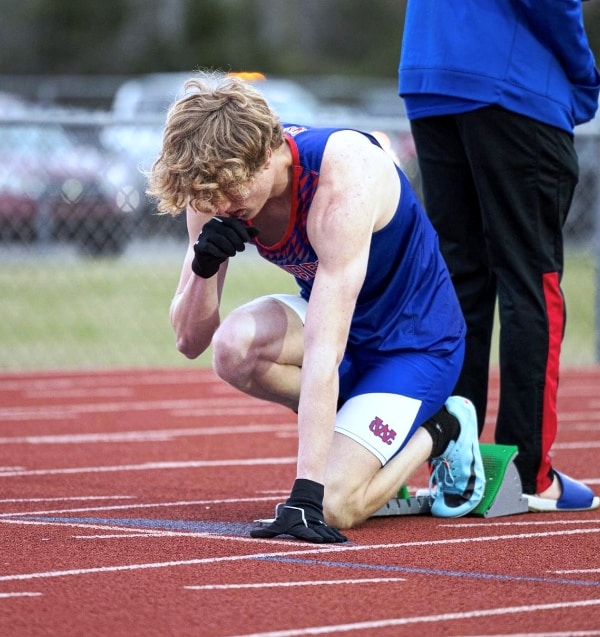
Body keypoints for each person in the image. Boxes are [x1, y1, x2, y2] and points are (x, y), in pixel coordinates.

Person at [147, 71, 486, 543]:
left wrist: (305, 495)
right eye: (211, 197)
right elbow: (190, 342)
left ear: (268, 153)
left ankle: (443, 426)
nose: (222, 206)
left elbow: (324, 351)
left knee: (335, 504)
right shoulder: (215, 189)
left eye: (232, 192)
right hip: (340, 329)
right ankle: (359, 427)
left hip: (412, 346)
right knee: (233, 348)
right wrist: (204, 268)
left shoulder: (341, 178)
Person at [399, 0, 600, 512]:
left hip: (430, 72)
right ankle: (528, 474)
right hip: (513, 81)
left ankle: (454, 468)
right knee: (532, 280)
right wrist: (583, 72)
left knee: (459, 284)